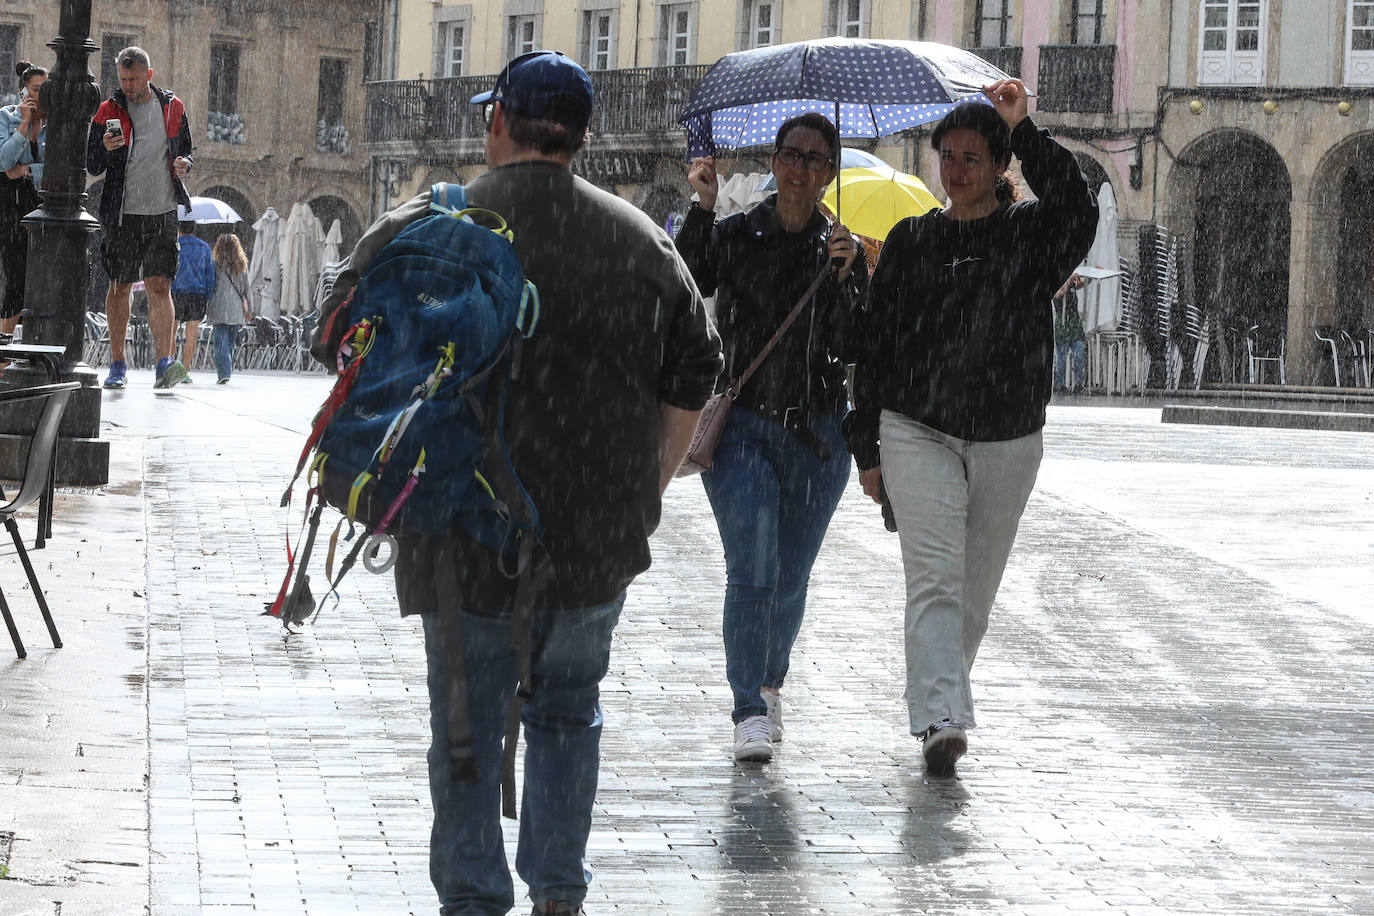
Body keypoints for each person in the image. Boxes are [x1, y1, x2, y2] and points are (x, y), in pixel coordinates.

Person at [311, 50, 721, 915]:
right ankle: (559, 892)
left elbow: (336, 327)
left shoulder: (431, 218)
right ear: (581, 134)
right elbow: (697, 367)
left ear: (497, 122)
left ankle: (472, 896)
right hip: (592, 532)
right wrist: (648, 483)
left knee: (462, 732)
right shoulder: (640, 238)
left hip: (458, 523)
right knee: (568, 711)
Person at [846, 80, 1097, 776]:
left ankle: (940, 691)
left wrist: (1025, 128)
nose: (956, 170)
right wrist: (866, 444)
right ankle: (940, 717)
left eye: (973, 157)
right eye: (947, 155)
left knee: (975, 590)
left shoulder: (1031, 237)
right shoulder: (909, 242)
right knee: (934, 580)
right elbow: (875, 346)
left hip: (1007, 434)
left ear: (998, 166)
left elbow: (1078, 209)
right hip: (915, 427)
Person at [674, 113, 866, 763]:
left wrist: (845, 277)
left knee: (790, 577)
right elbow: (692, 279)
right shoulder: (736, 235)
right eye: (791, 156)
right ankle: (748, 709)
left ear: (829, 175)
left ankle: (770, 680)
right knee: (752, 567)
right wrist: (701, 204)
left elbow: (850, 344)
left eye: (815, 160)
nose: (800, 169)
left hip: (819, 437)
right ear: (775, 162)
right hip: (745, 429)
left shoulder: (840, 251)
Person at [87, 46, 193, 390]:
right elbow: (92, 165)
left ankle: (164, 363)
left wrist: (184, 164)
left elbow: (187, 151)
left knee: (159, 285)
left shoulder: (173, 107)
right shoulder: (108, 109)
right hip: (121, 213)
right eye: (123, 78)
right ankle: (118, 364)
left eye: (133, 78)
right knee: (119, 286)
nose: (128, 84)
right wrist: (104, 146)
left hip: (162, 211)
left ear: (149, 74)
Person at [0, 61, 47, 335]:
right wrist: (25, 125)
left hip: (40, 205)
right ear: (24, 93)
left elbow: (59, 171)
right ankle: (4, 351)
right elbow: (4, 162)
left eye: (46, 90)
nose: (42, 96)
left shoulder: (57, 125)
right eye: (37, 90)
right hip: (10, 204)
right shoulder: (7, 117)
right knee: (15, 277)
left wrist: (27, 169)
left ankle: (27, 347)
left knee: (38, 281)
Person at [170, 220, 213, 380]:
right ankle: (185, 371)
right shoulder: (204, 247)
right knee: (192, 334)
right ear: (194, 229)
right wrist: (207, 295)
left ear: (179, 228)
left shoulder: (175, 245)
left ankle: (171, 365)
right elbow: (210, 274)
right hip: (197, 293)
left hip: (176, 291)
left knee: (171, 332)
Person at [205, 232, 250, 384]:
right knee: (229, 343)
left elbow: (211, 283)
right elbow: (246, 288)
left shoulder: (216, 264)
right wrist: (249, 310)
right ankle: (226, 371)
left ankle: (224, 372)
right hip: (236, 309)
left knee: (220, 342)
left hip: (219, 307)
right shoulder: (242, 264)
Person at [1053, 272, 1087, 391]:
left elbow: (1081, 285)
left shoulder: (1071, 285)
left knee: (1079, 355)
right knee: (1062, 357)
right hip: (1063, 324)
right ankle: (1060, 384)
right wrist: (1069, 279)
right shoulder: (1057, 286)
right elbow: (1059, 294)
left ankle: (1079, 384)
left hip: (1075, 323)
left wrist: (1092, 277)